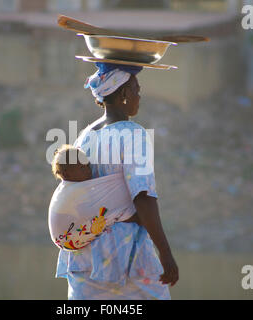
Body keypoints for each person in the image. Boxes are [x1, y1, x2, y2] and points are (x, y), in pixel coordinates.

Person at [55, 62, 179, 300]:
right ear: (123, 94)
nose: (139, 96)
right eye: (136, 89)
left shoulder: (85, 136)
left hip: (85, 253)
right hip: (125, 256)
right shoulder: (132, 134)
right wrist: (165, 254)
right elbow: (142, 196)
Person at [49, 144, 141, 251]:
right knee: (105, 211)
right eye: (82, 167)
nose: (88, 170)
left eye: (88, 166)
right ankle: (133, 216)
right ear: (67, 174)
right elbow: (99, 206)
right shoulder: (71, 192)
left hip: (66, 241)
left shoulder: (70, 189)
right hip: (69, 237)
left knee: (101, 212)